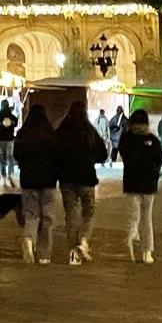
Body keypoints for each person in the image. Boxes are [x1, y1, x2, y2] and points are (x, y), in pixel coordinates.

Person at [56, 98, 107, 264]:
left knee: (71, 214)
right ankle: (84, 239)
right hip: (86, 178)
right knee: (89, 211)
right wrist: (89, 158)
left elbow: (53, 152)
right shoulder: (89, 130)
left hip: (67, 179)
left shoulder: (62, 130)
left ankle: (73, 254)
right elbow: (103, 154)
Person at [14, 104, 60, 263]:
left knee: (31, 215)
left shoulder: (22, 134)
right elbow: (57, 157)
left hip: (28, 180)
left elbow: (16, 155)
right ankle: (44, 255)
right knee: (47, 218)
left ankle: (28, 240)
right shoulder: (51, 134)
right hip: (48, 181)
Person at [117, 109, 162, 264]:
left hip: (132, 183)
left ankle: (130, 244)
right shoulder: (152, 140)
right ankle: (147, 251)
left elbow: (124, 155)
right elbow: (159, 159)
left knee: (133, 216)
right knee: (147, 218)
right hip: (149, 184)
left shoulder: (126, 139)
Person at [0, 98, 19, 186]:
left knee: (1, 158)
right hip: (10, 140)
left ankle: (3, 176)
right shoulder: (12, 117)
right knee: (10, 158)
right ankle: (11, 175)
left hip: (0, 140)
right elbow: (16, 123)